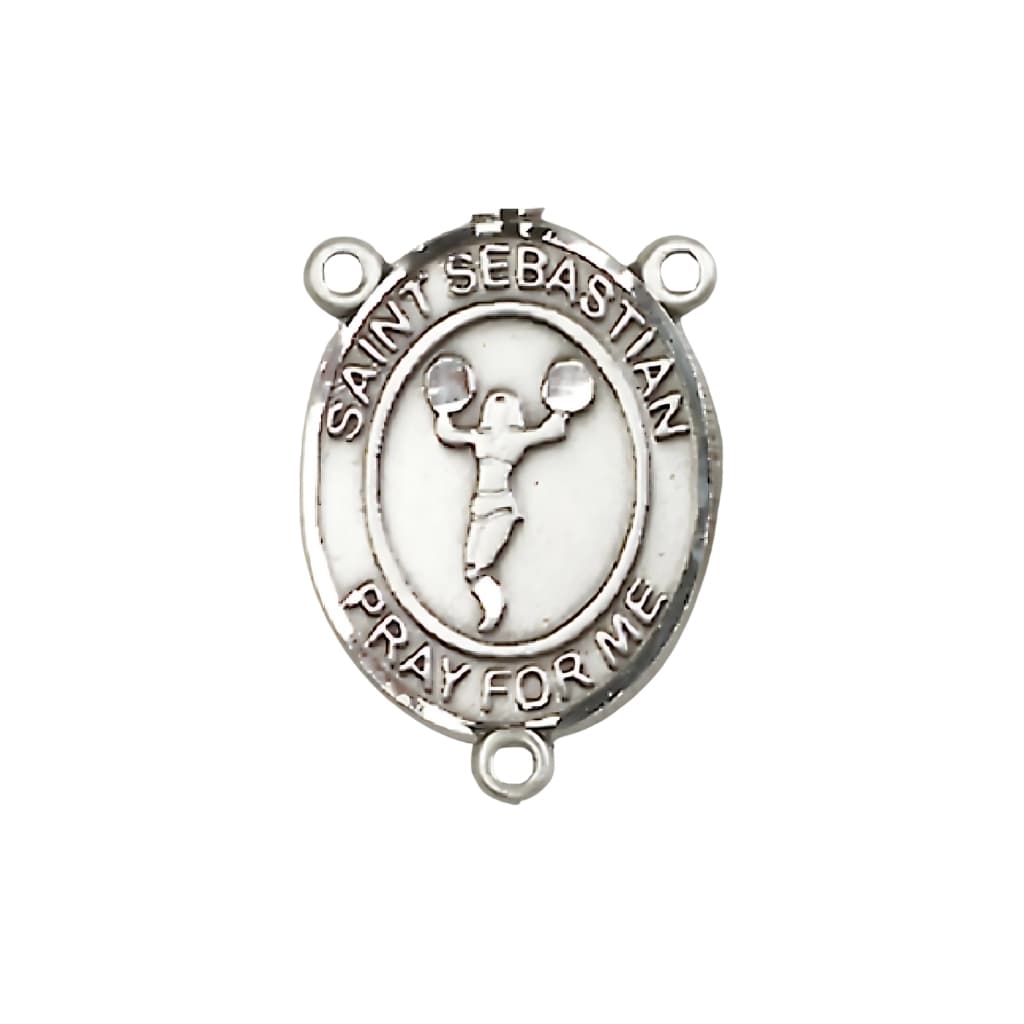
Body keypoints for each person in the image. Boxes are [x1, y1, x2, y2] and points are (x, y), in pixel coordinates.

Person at [431, 390, 572, 632]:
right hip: (480, 506)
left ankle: (494, 609)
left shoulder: (513, 440)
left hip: (500, 508)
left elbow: (552, 431)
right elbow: (448, 434)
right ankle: (492, 607)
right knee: (471, 569)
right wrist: (443, 411)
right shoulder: (482, 438)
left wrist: (562, 410)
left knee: (478, 567)